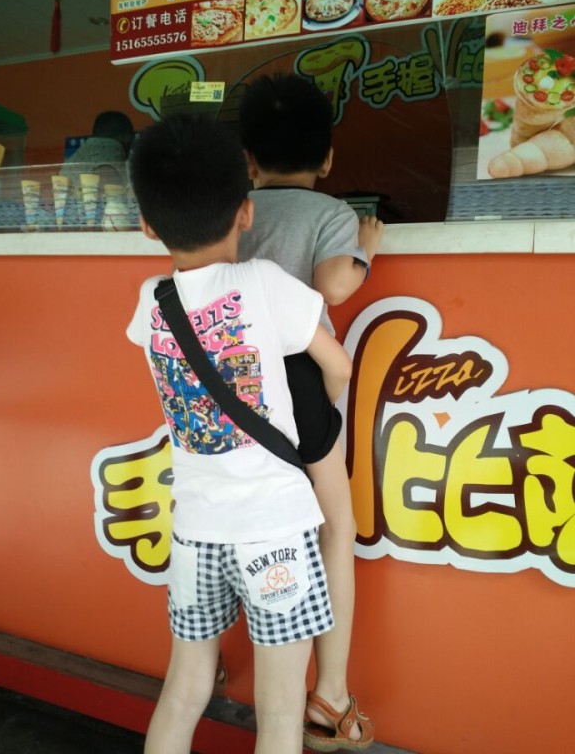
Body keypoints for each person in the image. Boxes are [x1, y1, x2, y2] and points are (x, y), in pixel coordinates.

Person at [127, 113, 354, 754]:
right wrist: (321, 412)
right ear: (246, 212)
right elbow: (337, 365)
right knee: (279, 714)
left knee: (182, 691)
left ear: (148, 226)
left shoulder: (151, 300)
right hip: (276, 531)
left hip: (195, 531)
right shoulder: (264, 283)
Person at [238, 72, 384, 750]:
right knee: (336, 529)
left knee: (253, 522)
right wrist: (365, 248)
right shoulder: (331, 213)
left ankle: (218, 662)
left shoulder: (233, 208)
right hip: (300, 382)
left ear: (248, 160)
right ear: (326, 159)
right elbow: (334, 284)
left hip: (236, 382)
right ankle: (330, 693)